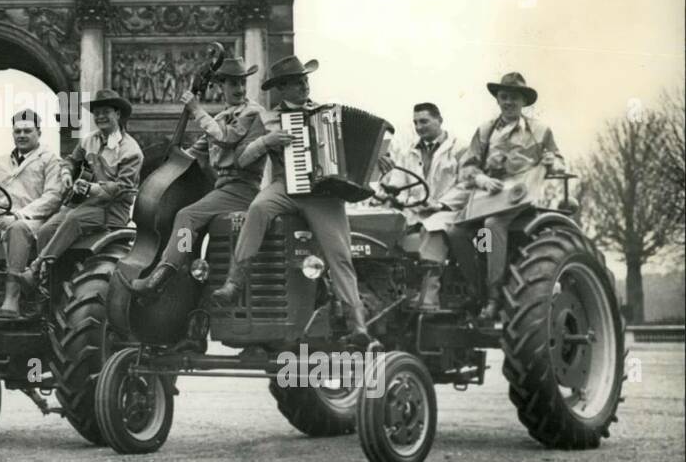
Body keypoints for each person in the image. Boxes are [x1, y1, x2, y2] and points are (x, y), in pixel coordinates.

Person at [209, 57, 373, 347]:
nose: (304, 86)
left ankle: (357, 325)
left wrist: (377, 159)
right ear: (281, 89)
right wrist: (266, 142)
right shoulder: (267, 119)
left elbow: (357, 153)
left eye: (305, 80)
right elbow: (243, 159)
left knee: (339, 253)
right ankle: (234, 282)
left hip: (322, 193)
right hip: (285, 186)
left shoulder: (327, 114)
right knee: (258, 208)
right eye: (296, 82)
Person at [129, 58, 264, 300]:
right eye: (233, 83)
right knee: (188, 221)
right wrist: (169, 165)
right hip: (223, 190)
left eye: (242, 83)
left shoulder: (253, 112)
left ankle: (163, 274)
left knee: (186, 216)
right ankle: (184, 277)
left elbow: (225, 138)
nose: (240, 89)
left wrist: (196, 110)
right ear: (220, 86)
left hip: (241, 190)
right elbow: (193, 153)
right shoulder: (222, 116)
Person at [458, 72, 563, 322]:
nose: (508, 102)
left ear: (523, 101)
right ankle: (476, 287)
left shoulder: (539, 131)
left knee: (493, 225)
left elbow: (558, 159)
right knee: (456, 231)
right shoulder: (485, 131)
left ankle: (494, 297)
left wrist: (552, 163)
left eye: (514, 97)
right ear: (497, 100)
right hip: (489, 195)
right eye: (503, 97)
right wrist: (481, 178)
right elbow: (468, 166)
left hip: (521, 197)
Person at [14, 90, 142, 290]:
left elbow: (124, 188)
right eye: (97, 112)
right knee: (47, 229)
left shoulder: (131, 151)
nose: (100, 116)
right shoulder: (89, 140)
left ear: (118, 114)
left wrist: (93, 188)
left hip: (113, 209)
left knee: (73, 220)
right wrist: (66, 173)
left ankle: (36, 269)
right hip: (86, 205)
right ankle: (48, 287)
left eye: (106, 111)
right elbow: (71, 160)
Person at [377, 102, 468, 311]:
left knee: (433, 228)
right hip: (415, 211)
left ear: (440, 120)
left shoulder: (460, 148)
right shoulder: (410, 152)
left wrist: (440, 203)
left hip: (450, 212)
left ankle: (429, 295)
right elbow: (400, 181)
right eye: (416, 122)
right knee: (382, 226)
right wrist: (389, 192)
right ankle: (390, 294)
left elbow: (467, 185)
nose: (419, 127)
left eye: (424, 121)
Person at [0, 109, 64, 317]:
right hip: (1, 218)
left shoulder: (49, 160)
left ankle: (11, 298)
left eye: (27, 131)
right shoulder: (2, 161)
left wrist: (20, 215)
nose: (21, 135)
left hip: (34, 221)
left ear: (39, 132)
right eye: (17, 131)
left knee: (18, 228)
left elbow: (53, 197)